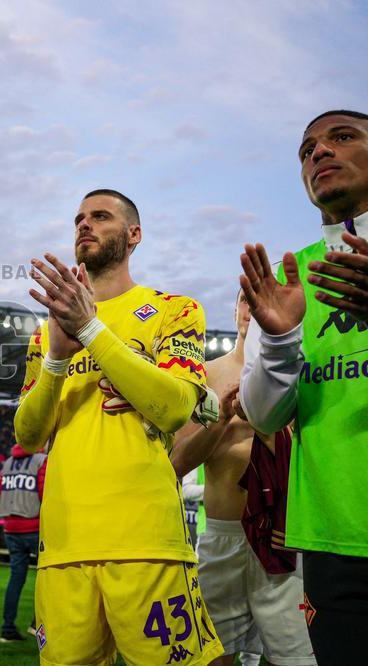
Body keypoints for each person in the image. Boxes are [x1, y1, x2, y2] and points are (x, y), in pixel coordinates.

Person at [15, 189, 223, 664]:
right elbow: (27, 435)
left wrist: (92, 331)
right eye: (79, 218)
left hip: (146, 540)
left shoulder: (176, 309)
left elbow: (174, 409)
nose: (84, 225)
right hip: (63, 546)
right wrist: (56, 360)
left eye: (101, 216)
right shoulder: (47, 333)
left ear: (134, 235)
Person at [238, 109, 368, 662]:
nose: (318, 152)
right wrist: (281, 338)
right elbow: (264, 416)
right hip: (329, 535)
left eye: (342, 137)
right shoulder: (294, 278)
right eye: (307, 148)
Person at [170, 289, 315, 665]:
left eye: (260, 295)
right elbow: (177, 463)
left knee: (297, 658)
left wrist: (270, 421)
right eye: (244, 299)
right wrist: (221, 419)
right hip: (224, 538)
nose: (251, 308)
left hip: (286, 538)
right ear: (235, 309)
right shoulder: (204, 376)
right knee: (210, 657)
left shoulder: (306, 374)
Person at [0, 443, 46, 643]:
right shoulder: (41, 461)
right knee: (47, 577)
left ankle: (7, 629)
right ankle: (37, 624)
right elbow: (45, 493)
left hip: (11, 528)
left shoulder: (7, 463)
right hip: (34, 527)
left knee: (16, 578)